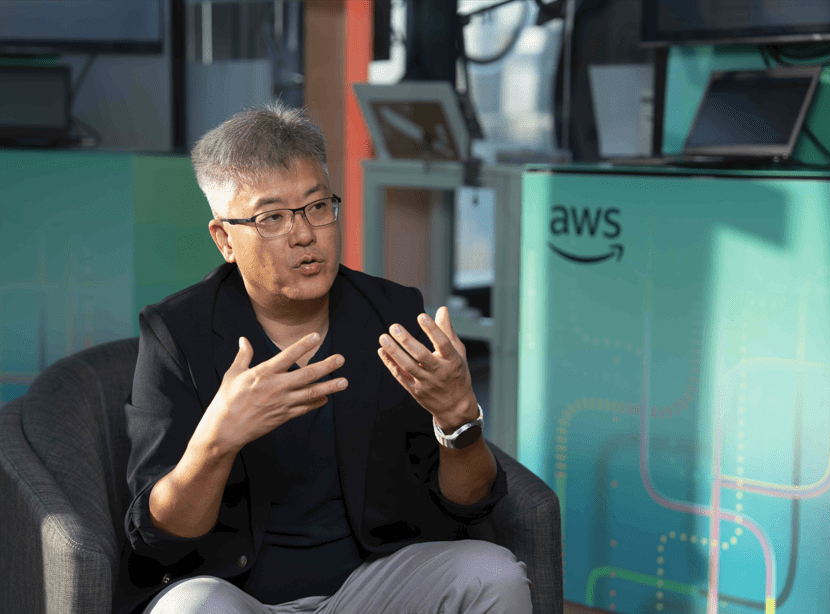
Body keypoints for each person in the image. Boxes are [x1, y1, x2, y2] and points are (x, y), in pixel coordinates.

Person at [112, 103, 531, 614]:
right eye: (272, 218)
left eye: (317, 206)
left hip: (373, 588)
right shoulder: (178, 333)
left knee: (495, 575)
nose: (305, 234)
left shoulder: (392, 316)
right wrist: (216, 442)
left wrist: (458, 417)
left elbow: (468, 505)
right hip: (240, 597)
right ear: (224, 239)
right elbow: (161, 534)